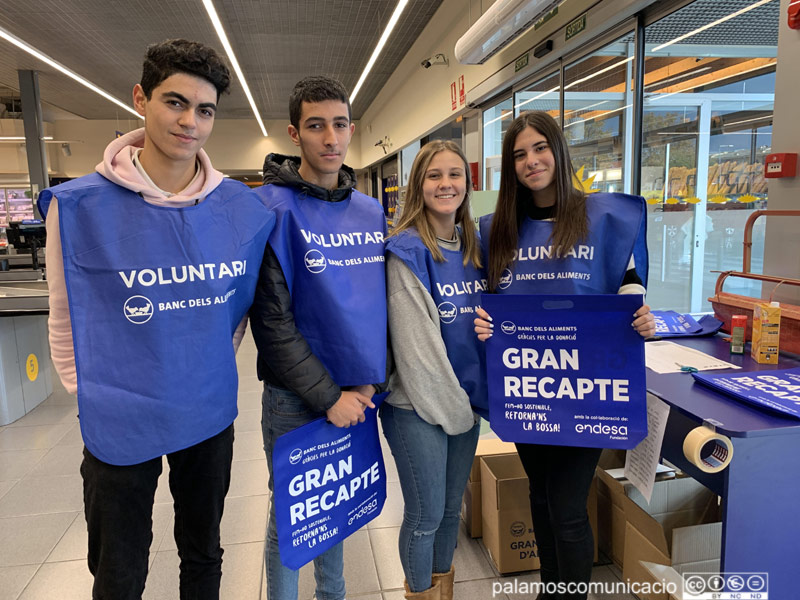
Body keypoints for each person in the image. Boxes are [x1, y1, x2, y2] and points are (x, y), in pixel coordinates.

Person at [38, 39, 274, 599]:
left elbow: (234, 311)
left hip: (206, 409)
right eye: (175, 102)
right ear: (141, 98)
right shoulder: (78, 207)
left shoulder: (240, 208)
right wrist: (92, 390)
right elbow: (65, 313)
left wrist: (202, 359)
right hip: (119, 415)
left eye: (206, 110)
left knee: (204, 553)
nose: (190, 121)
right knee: (119, 571)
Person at [474, 111, 655, 600]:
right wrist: (483, 322)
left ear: (558, 150)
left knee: (569, 507)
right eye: (518, 154)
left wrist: (640, 314)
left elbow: (628, 285)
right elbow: (482, 300)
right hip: (528, 387)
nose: (531, 161)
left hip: (587, 390)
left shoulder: (603, 218)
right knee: (540, 495)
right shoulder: (497, 231)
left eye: (540, 148)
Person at [249, 76, 388, 600]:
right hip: (295, 397)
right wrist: (328, 397)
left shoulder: (371, 212)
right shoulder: (270, 212)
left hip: (357, 394)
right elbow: (274, 326)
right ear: (294, 133)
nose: (330, 138)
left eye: (339, 124)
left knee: (335, 507)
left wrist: (369, 385)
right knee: (292, 516)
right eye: (315, 126)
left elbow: (382, 305)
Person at [382, 140, 487, 600]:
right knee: (425, 517)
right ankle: (420, 593)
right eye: (434, 175)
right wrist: (460, 411)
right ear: (417, 186)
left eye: (455, 175)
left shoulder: (476, 246)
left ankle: (443, 590)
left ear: (468, 182)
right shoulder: (406, 251)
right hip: (417, 407)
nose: (446, 184)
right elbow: (416, 353)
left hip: (463, 403)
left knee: (449, 513)